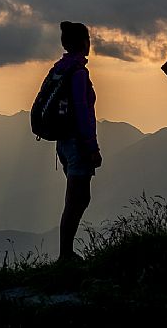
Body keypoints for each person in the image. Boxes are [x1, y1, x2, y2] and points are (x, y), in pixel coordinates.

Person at [53, 20, 102, 263]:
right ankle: (65, 255)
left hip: (63, 143)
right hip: (77, 143)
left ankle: (66, 253)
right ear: (84, 43)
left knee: (79, 198)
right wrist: (92, 147)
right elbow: (82, 112)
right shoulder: (78, 73)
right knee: (76, 200)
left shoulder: (60, 68)